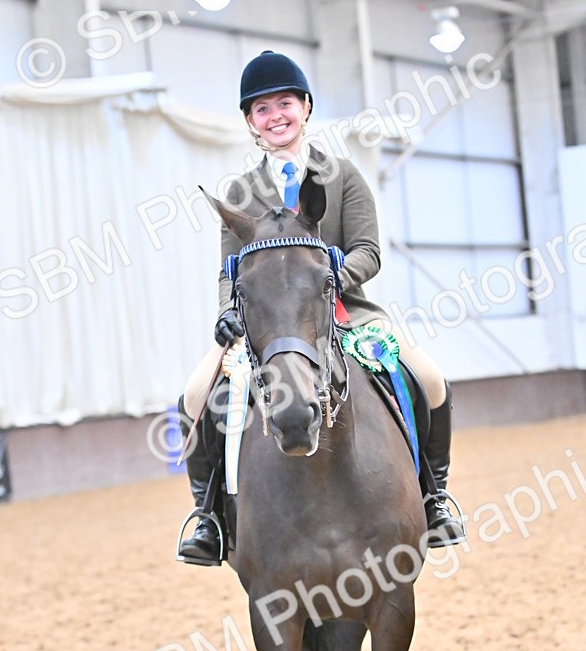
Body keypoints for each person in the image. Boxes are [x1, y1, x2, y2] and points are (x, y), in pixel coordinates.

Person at [178, 50, 465, 565]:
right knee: (197, 393)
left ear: (306, 107)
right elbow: (230, 272)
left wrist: (331, 281)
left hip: (347, 311)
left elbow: (368, 252)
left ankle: (434, 496)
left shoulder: (343, 175)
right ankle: (209, 518)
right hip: (267, 323)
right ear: (250, 122)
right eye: (262, 109)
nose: (276, 116)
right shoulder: (240, 193)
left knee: (430, 378)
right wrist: (229, 314)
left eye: (285, 103)